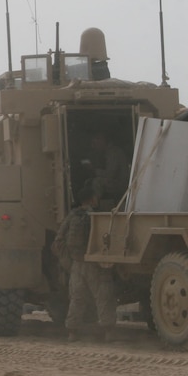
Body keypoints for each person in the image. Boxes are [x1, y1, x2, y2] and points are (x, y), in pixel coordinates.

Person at [52, 180, 116, 342]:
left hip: (77, 265)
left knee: (76, 299)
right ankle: (108, 333)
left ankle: (72, 333)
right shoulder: (97, 216)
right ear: (92, 199)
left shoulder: (72, 216)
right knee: (103, 297)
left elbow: (58, 243)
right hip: (95, 264)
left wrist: (70, 264)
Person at [84, 132, 129, 208]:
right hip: (114, 182)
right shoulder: (105, 153)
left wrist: (94, 170)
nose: (95, 144)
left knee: (96, 182)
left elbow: (110, 174)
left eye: (98, 140)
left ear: (104, 141)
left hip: (120, 183)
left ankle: (94, 207)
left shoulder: (113, 153)